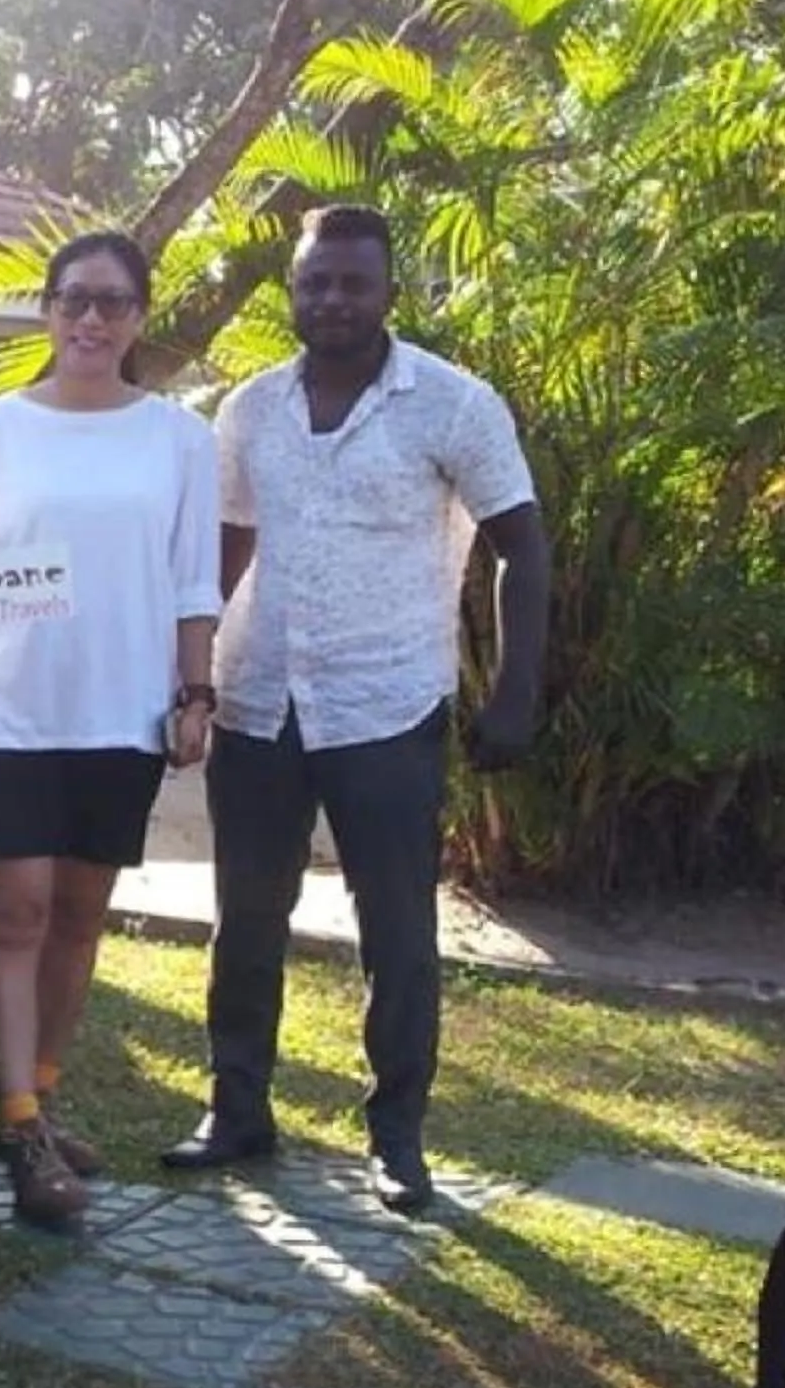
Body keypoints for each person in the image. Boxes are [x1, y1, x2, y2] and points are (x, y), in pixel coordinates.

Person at [164, 204, 549, 1214]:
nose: (332, 299)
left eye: (352, 282)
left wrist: (513, 689)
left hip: (388, 702)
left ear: (387, 291)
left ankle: (397, 1138)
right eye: (314, 281)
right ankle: (237, 1107)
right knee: (246, 916)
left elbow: (523, 544)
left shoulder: (454, 405)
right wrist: (190, 670)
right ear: (292, 288)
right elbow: (228, 545)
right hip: (258, 701)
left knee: (397, 929)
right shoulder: (248, 408)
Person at [0, 231, 223, 1227]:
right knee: (14, 916)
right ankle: (18, 1125)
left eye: (112, 302)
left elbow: (194, 581)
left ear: (140, 317)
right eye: (73, 301)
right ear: (48, 312)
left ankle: (42, 1097)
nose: (91, 320)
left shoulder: (180, 438)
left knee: (79, 920)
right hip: (11, 711)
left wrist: (195, 695)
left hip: (122, 714)